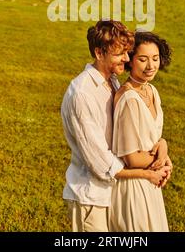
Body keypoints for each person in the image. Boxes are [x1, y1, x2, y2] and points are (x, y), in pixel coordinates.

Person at [61, 21, 170, 232]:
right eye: (120, 53)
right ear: (99, 53)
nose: (127, 59)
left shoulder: (111, 82)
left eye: (127, 53)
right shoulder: (82, 94)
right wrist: (148, 173)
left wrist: (162, 150)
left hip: (110, 193)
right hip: (90, 197)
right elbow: (101, 164)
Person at [109, 31, 173, 232]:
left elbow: (152, 136)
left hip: (151, 183)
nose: (150, 66)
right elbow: (132, 158)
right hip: (135, 187)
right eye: (143, 59)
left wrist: (163, 145)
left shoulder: (151, 91)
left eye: (155, 59)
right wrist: (163, 161)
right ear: (130, 60)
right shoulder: (129, 99)